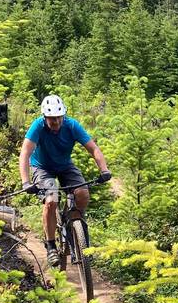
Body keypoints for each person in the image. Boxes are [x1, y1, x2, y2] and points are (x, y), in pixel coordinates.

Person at [20, 94, 111, 267]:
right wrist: (26, 181)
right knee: (51, 200)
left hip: (65, 165)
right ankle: (51, 246)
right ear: (45, 118)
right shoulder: (37, 127)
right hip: (42, 168)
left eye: (58, 118)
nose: (56, 122)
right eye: (52, 119)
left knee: (82, 193)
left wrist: (104, 170)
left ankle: (77, 229)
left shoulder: (72, 125)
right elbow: (25, 153)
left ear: (63, 115)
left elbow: (93, 149)